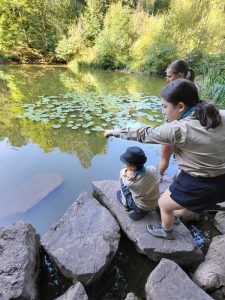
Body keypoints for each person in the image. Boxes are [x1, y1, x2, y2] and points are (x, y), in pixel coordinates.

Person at [104, 79, 225, 239]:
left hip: (199, 180)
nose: (163, 112)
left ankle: (166, 231)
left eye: (165, 106)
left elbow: (144, 134)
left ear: (181, 106)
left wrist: (114, 131)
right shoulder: (219, 113)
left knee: (164, 204)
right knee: (185, 205)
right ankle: (181, 214)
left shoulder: (180, 129)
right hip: (221, 177)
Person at [158, 59, 196, 177]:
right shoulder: (191, 88)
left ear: (179, 75)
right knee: (169, 157)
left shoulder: (185, 91)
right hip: (174, 126)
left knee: (165, 157)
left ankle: (156, 180)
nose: (167, 79)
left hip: (175, 127)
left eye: (169, 76)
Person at [118, 146, 160, 220]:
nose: (124, 164)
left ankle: (125, 203)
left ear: (133, 167)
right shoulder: (153, 169)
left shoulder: (130, 182)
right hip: (154, 202)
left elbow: (121, 173)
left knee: (119, 192)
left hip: (141, 206)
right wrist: (129, 170)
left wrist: (126, 171)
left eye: (125, 163)